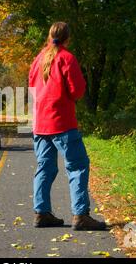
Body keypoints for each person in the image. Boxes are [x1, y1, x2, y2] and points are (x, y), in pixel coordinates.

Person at [28, 22, 106, 230]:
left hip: (40, 124)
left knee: (45, 168)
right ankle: (81, 215)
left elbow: (32, 90)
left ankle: (41, 213)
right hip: (62, 123)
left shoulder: (37, 60)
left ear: (49, 36)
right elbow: (77, 91)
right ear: (67, 38)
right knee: (78, 166)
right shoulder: (67, 58)